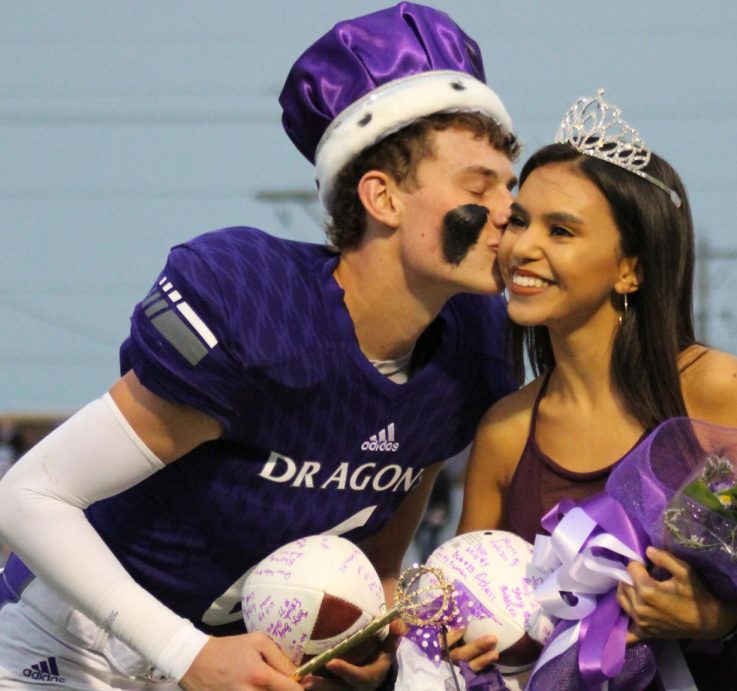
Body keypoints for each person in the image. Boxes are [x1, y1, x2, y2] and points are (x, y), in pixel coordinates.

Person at [0, 4, 520, 690]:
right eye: (480, 186)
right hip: (76, 644)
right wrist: (185, 653)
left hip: (234, 661)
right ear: (382, 197)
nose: (510, 209)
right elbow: (29, 496)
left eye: (510, 184)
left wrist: (372, 624)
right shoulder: (257, 306)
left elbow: (397, 501)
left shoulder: (474, 344)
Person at [455, 89, 737, 690]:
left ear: (629, 268)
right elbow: (466, 601)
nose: (523, 247)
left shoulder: (711, 387)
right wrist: (465, 642)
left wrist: (716, 618)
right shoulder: (504, 432)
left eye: (561, 230)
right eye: (521, 221)